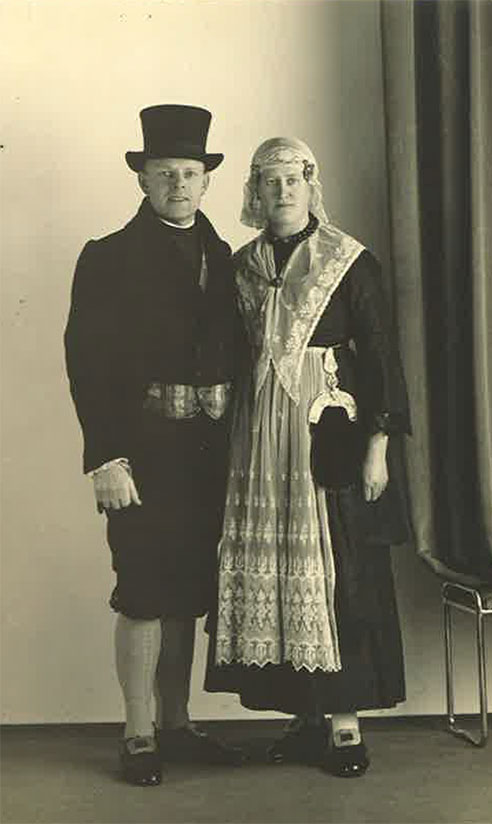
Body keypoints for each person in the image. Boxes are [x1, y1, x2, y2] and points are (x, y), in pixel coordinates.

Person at [205, 137, 411, 777]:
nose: (283, 192)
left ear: (310, 184)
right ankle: (304, 716)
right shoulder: (243, 266)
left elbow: (380, 356)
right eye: (270, 181)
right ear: (256, 191)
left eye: (293, 179)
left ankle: (345, 722)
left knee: (335, 561)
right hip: (260, 436)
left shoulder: (349, 262)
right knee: (274, 560)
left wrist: (378, 447)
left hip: (328, 430)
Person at [65, 105, 244, 786]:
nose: (178, 184)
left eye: (190, 173)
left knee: (188, 591)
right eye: (164, 172)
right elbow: (84, 361)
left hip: (209, 455)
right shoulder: (107, 257)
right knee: (142, 588)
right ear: (142, 180)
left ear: (206, 183)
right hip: (139, 452)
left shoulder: (227, 258)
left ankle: (178, 722)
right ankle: (138, 732)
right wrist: (105, 458)